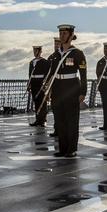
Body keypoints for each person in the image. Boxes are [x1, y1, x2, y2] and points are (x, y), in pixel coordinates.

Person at [48, 24, 87, 157]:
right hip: (58, 89)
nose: (62, 36)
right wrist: (49, 90)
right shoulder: (55, 55)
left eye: (65, 33)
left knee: (71, 120)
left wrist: (83, 92)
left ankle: (71, 149)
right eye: (60, 33)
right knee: (60, 120)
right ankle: (63, 148)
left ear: (71, 36)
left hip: (71, 88)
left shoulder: (77, 53)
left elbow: (83, 74)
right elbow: (51, 75)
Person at [28, 45, 51, 127]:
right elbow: (30, 75)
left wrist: (46, 84)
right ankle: (38, 119)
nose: (34, 52)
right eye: (34, 51)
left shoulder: (45, 62)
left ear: (40, 51)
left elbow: (48, 73)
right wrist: (29, 84)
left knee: (42, 102)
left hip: (41, 83)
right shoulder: (31, 62)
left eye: (36, 51)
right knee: (36, 102)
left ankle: (43, 120)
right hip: (34, 83)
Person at [46, 37, 62, 137]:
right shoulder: (51, 57)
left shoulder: (65, 55)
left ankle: (63, 129)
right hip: (54, 86)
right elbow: (48, 74)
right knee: (55, 109)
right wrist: (48, 89)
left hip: (63, 86)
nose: (56, 45)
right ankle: (57, 129)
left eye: (58, 43)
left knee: (63, 110)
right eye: (55, 44)